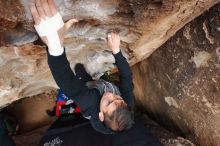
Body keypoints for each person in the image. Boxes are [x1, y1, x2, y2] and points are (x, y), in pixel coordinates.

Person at [29, 0, 134, 134]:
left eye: (109, 102)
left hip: (90, 93)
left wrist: (55, 45)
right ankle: (87, 77)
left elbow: (66, 81)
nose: (111, 95)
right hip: (99, 91)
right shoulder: (127, 105)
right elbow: (126, 76)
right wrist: (116, 51)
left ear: (101, 115)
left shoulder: (89, 102)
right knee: (88, 76)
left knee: (83, 81)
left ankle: (84, 78)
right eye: (118, 98)